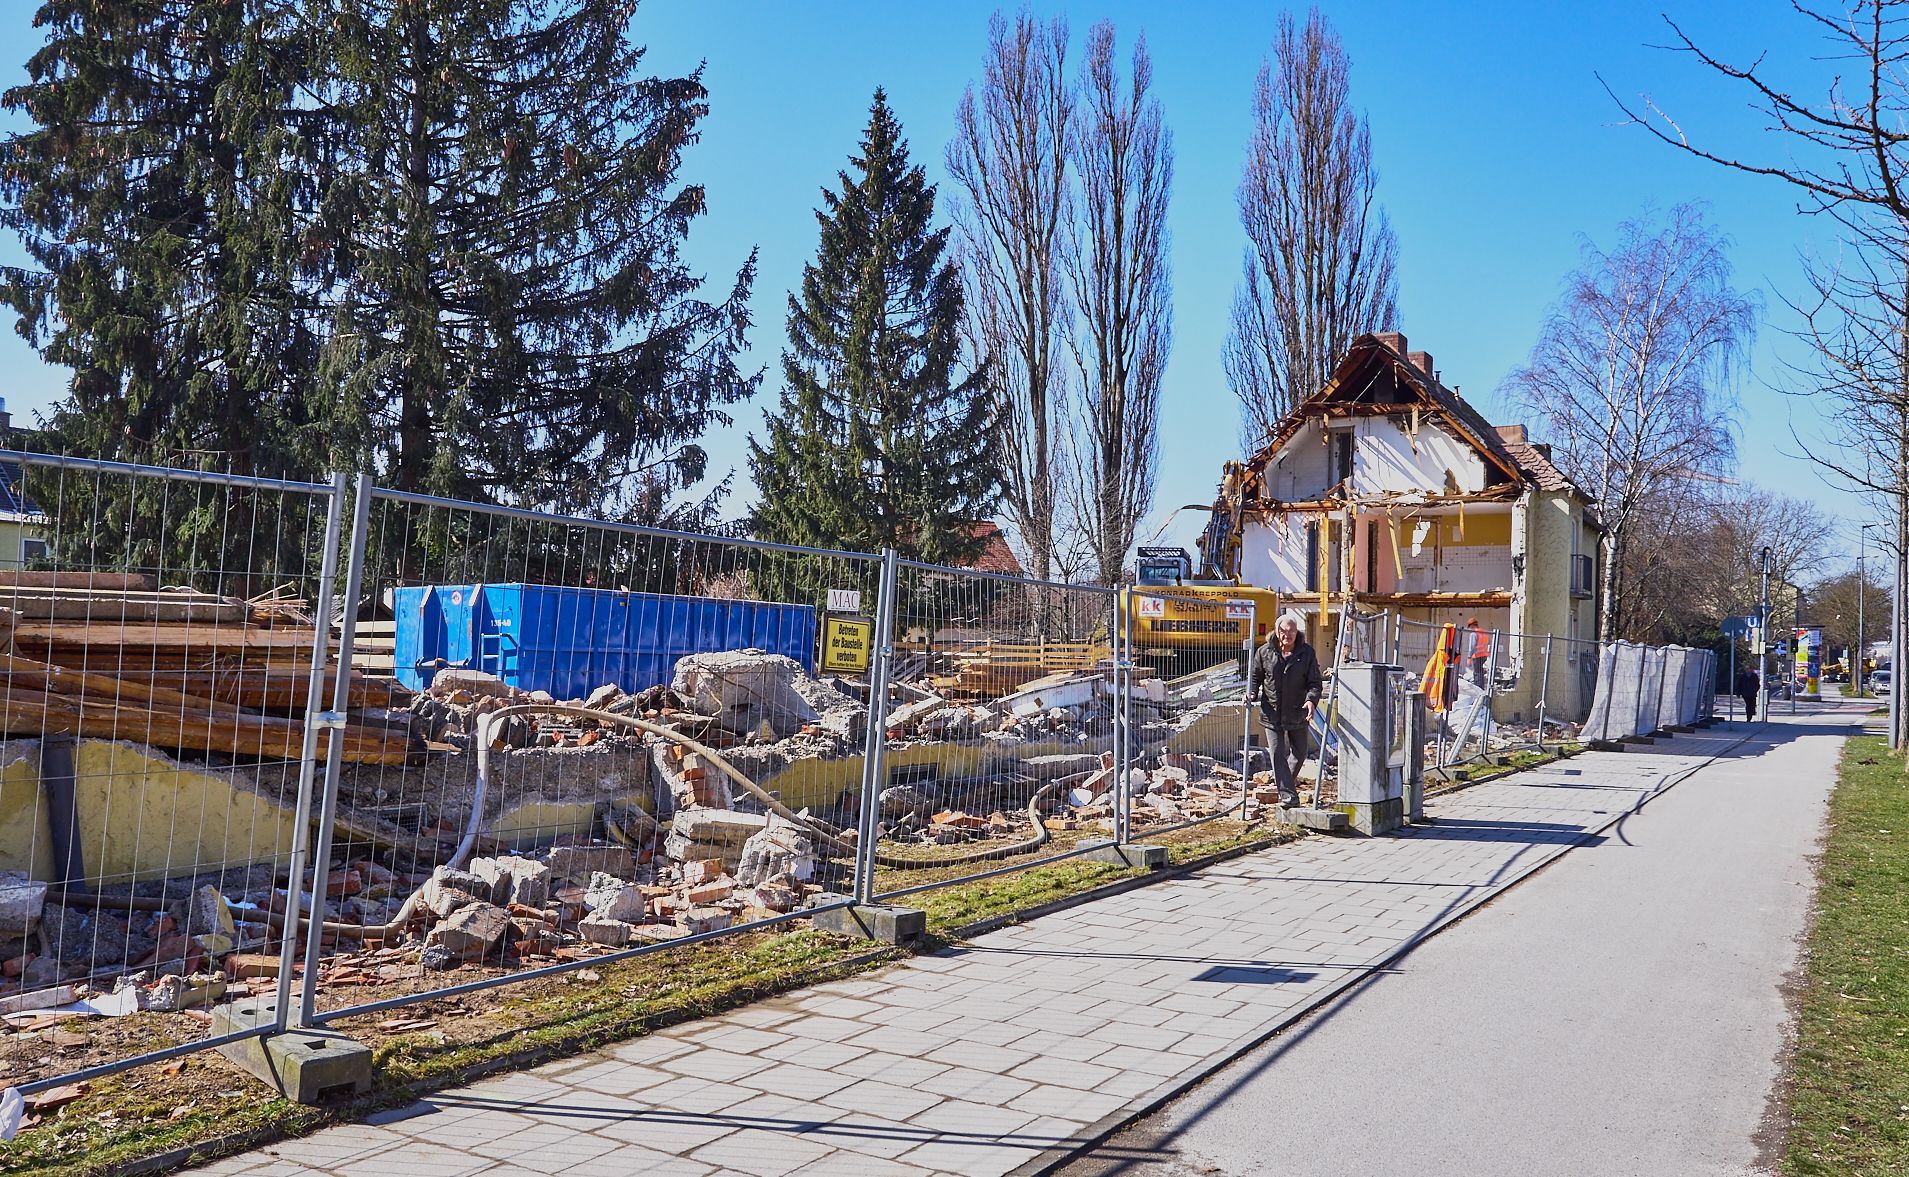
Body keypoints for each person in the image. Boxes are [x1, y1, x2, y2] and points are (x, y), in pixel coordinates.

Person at [1249, 612, 1324, 808]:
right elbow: (1255, 677)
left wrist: (1311, 701)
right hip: (1271, 712)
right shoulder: (1264, 652)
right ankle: (1289, 796)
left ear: (1296, 632)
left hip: (1297, 711)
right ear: (1277, 631)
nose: (1287, 635)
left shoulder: (1306, 653)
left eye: (1292, 631)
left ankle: (1284, 784)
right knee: (1276, 754)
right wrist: (1251, 693)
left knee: (1300, 753)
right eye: (1284, 631)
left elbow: (1315, 683)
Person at [1463, 618, 1489, 688]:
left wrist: (1469, 657)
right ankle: (1481, 687)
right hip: (1484, 655)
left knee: (1477, 673)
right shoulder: (1484, 632)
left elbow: (1472, 646)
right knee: (1481, 673)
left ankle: (1478, 688)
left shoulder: (1474, 634)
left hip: (1477, 656)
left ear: (1471, 626)